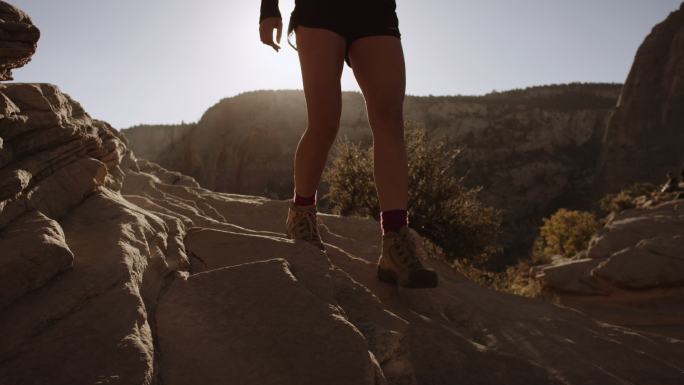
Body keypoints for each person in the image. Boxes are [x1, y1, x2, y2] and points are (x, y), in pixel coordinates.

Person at [258, 0, 438, 288]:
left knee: (390, 118)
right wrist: (268, 9)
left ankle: (394, 239)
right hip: (319, 10)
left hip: (374, 10)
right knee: (324, 121)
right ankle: (301, 216)